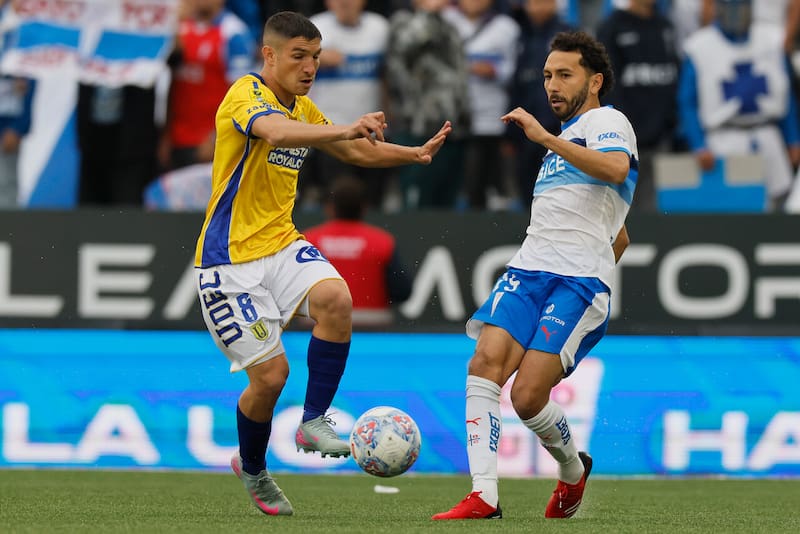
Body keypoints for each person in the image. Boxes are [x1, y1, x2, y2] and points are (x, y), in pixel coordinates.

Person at [194, 11, 451, 517]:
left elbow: (356, 150)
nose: (309, 66)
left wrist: (412, 154)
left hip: (280, 244)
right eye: (298, 56)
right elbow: (277, 133)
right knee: (269, 380)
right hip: (227, 263)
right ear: (268, 55)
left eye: (315, 56)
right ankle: (252, 466)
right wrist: (344, 128)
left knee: (337, 298)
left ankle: (314, 420)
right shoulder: (246, 95)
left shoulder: (304, 108)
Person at [432, 30, 636, 520]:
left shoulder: (608, 120)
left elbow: (613, 168)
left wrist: (589, 271)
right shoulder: (561, 143)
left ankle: (572, 470)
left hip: (576, 283)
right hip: (528, 270)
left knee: (527, 397)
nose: (552, 85)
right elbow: (620, 235)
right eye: (547, 75)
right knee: (484, 363)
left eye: (565, 74)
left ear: (595, 81)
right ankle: (484, 494)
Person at [677, 0, 800, 212]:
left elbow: (785, 94)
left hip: (768, 136)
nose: (737, 14)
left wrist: (793, 139)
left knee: (779, 206)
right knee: (735, 207)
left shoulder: (771, 39)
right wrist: (699, 143)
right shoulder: (699, 46)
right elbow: (687, 101)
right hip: (724, 140)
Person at [300, 0, 391, 210]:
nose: (344, 2)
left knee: (373, 202)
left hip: (374, 132)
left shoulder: (380, 28)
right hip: (330, 132)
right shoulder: (315, 27)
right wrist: (315, 58)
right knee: (336, 201)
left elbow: (389, 75)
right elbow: (284, 65)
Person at [385, 0, 471, 209]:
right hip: (417, 128)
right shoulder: (402, 23)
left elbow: (460, 77)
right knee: (417, 201)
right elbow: (402, 53)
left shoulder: (450, 27)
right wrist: (427, 14)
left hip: (453, 130)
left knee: (447, 201)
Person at [597, 0, 680, 213]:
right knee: (623, 209)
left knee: (663, 208)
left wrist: (671, 123)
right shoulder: (612, 27)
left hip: (663, 136)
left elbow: (674, 77)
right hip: (626, 140)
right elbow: (605, 84)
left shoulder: (665, 26)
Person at [303, 175, 412, 328]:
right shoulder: (382, 242)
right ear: (364, 208)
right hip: (373, 326)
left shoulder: (308, 241)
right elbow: (402, 291)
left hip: (319, 324)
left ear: (329, 207)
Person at [442, 0, 520, 211]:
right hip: (451, 116)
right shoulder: (446, 20)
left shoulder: (506, 27)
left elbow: (515, 69)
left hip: (492, 116)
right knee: (453, 181)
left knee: (485, 178)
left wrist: (495, 71)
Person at [161, 0, 255, 171]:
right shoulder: (180, 28)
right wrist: (165, 137)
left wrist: (215, 138)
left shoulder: (233, 33)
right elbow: (171, 87)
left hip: (211, 143)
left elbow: (242, 95)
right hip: (177, 138)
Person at [508, 0, 573, 204]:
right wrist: (510, 134)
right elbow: (515, 83)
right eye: (534, 2)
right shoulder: (519, 34)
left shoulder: (567, 36)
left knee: (560, 192)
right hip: (524, 130)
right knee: (528, 191)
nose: (538, 7)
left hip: (558, 129)